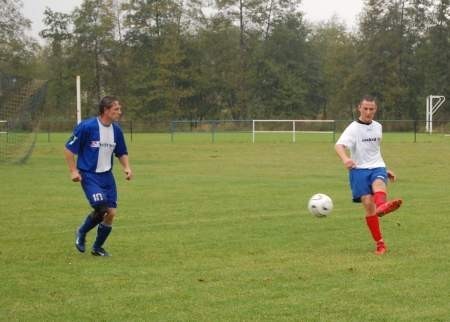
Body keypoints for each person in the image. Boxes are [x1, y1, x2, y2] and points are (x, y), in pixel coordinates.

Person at [64, 96, 132, 257]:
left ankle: (97, 247)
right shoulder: (87, 127)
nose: (119, 112)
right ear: (106, 110)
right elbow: (68, 149)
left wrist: (127, 167)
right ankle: (81, 232)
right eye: (116, 109)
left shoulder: (116, 130)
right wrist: (73, 171)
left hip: (107, 176)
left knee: (111, 213)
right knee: (101, 208)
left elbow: (121, 152)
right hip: (89, 175)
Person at [335, 95, 402, 255]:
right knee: (367, 203)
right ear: (359, 108)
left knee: (379, 184)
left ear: (375, 109)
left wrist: (385, 169)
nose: (368, 112)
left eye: (371, 109)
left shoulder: (378, 126)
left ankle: (382, 207)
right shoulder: (353, 128)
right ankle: (380, 243)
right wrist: (346, 159)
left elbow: (374, 152)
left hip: (377, 167)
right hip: (358, 170)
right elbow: (339, 145)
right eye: (365, 108)